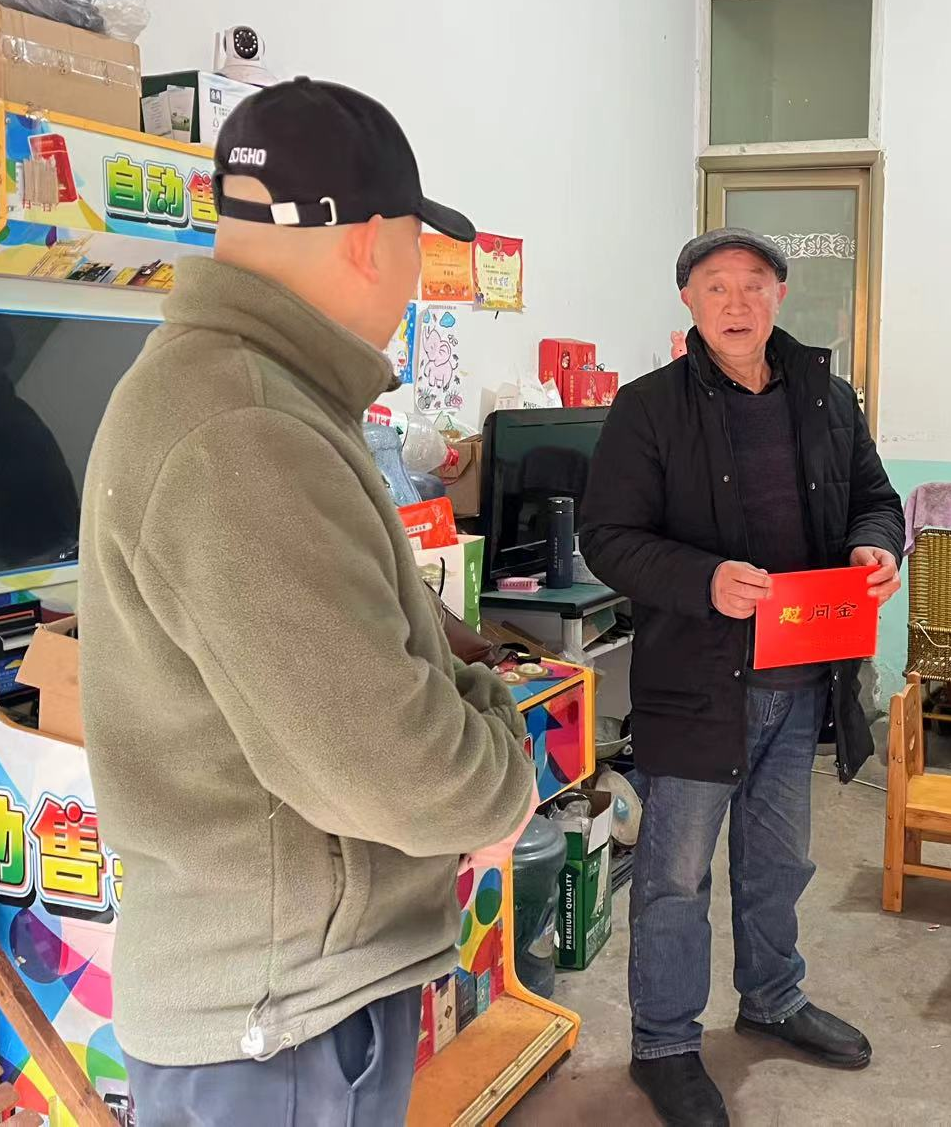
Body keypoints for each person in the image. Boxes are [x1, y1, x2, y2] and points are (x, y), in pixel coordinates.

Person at [79, 78, 537, 1125]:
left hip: (276, 1002)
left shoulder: (239, 390)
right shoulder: (246, 428)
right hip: (282, 1024)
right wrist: (503, 771)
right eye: (419, 244)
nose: (417, 276)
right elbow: (398, 765)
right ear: (371, 243)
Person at [581, 227, 905, 1127]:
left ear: (779, 296)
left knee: (779, 862)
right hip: (697, 688)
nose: (736, 302)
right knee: (675, 878)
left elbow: (875, 499)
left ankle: (772, 998)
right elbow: (608, 538)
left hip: (802, 681)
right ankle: (663, 1045)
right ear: (688, 301)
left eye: (754, 283)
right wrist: (704, 580)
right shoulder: (649, 407)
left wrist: (875, 546)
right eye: (716, 285)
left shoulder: (828, 398)